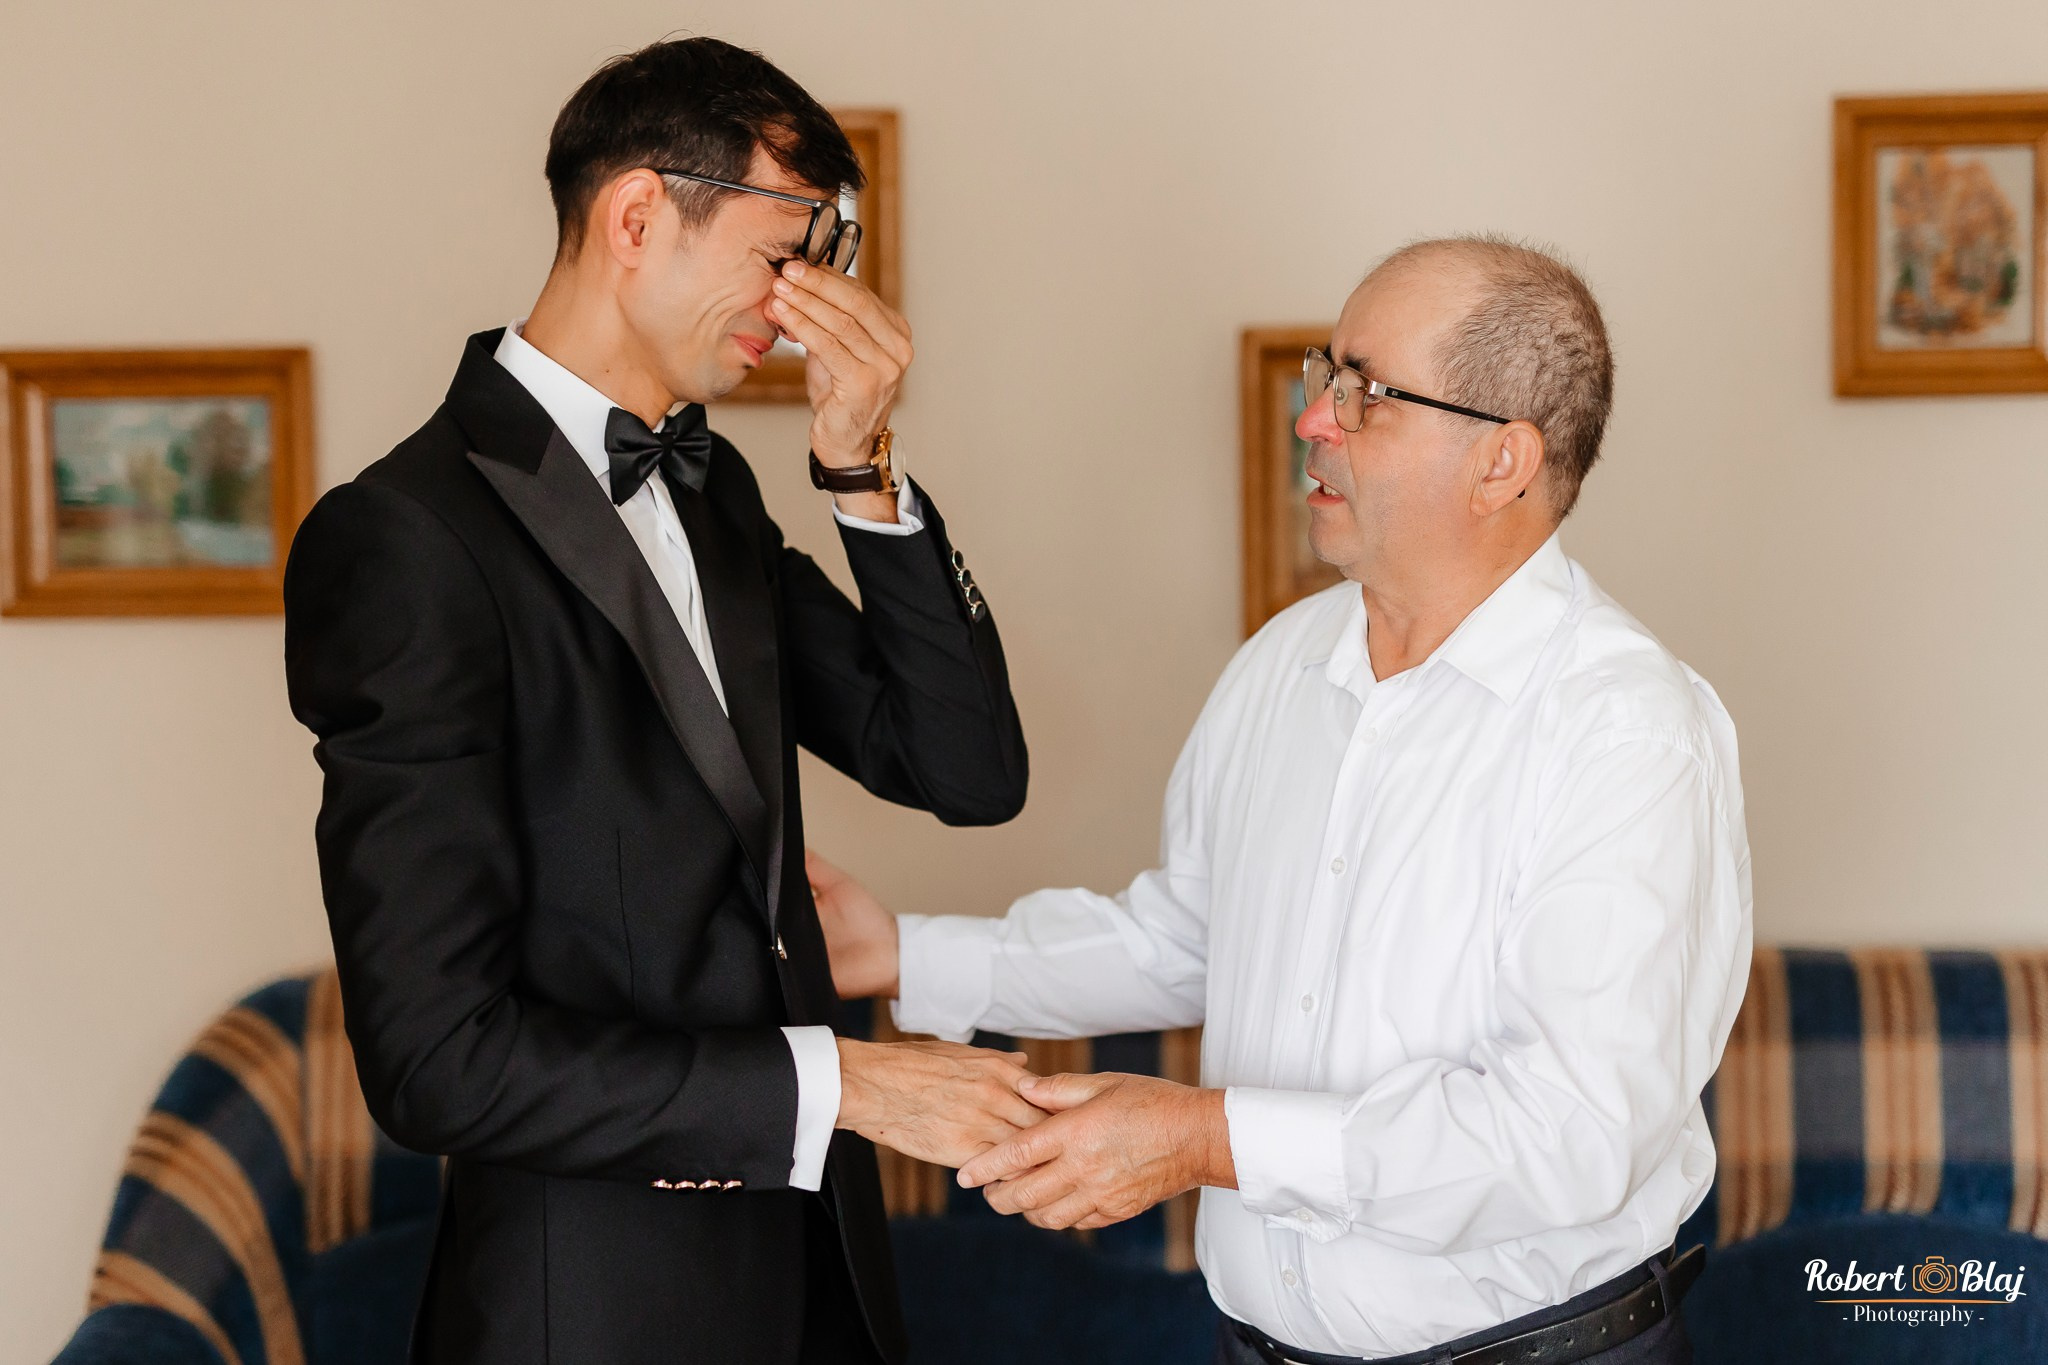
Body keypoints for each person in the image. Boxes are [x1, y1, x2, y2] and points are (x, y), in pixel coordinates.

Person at [812, 237, 1751, 1365]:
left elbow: (1566, 1133)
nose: (1313, 420)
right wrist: (897, 955)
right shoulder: (1282, 663)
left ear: (1501, 464)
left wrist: (1202, 1139)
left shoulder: (1628, 729)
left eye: (1367, 394)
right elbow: (1185, 939)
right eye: (1324, 374)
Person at [283, 36, 1038, 1365]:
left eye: (828, 259)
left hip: (821, 1287)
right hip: (591, 1315)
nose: (805, 302)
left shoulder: (719, 491)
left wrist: (861, 470)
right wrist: (850, 1081)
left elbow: (965, 769)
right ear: (638, 216)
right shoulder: (405, 537)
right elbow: (437, 1061)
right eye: (787, 252)